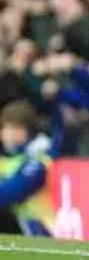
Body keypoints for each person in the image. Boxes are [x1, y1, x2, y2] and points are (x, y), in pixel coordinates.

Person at [0, 101, 56, 236]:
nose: (3, 134)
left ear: (22, 130)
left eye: (6, 128)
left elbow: (17, 189)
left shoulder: (41, 154)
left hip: (44, 228)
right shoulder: (12, 156)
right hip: (23, 223)